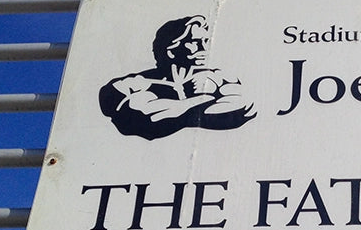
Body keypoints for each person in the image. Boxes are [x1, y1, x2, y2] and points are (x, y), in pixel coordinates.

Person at [99, 15, 256, 139]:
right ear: (171, 50)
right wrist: (199, 99)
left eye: (205, 41)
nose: (204, 48)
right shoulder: (133, 84)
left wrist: (179, 110)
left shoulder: (215, 78)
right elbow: (141, 117)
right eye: (195, 42)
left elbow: (244, 107)